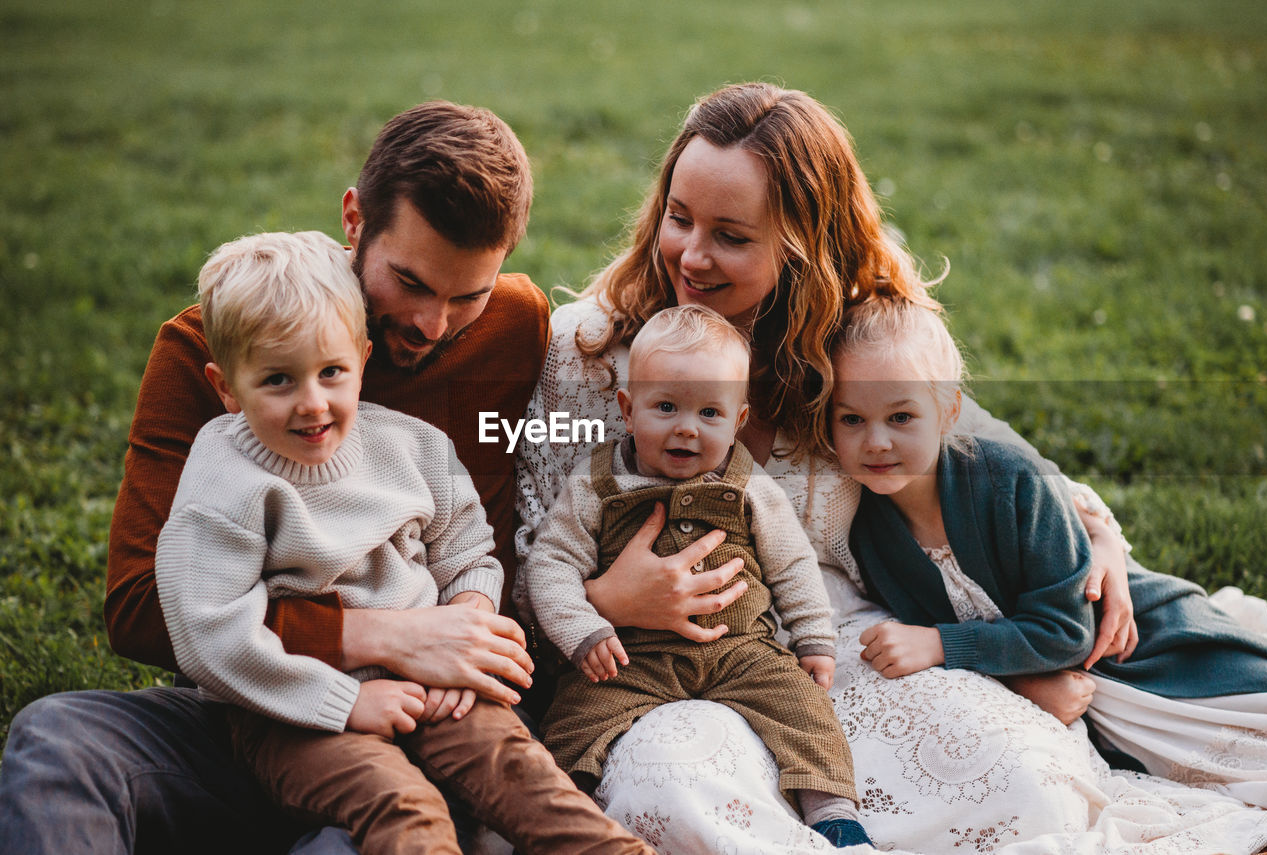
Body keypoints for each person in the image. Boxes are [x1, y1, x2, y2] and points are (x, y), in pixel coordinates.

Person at [516, 82, 1267, 853]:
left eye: (732, 235)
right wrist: (610, 597)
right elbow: (520, 562)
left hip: (836, 648)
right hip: (644, 671)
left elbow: (977, 451)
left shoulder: (841, 345)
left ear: (800, 246)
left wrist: (1094, 531)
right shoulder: (590, 360)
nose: (691, 252)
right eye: (679, 218)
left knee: (1025, 782)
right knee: (680, 798)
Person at [0, 100, 551, 855]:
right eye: (412, 283)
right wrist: (379, 634)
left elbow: (501, 525)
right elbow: (137, 604)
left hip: (419, 736)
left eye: (468, 296)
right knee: (58, 737)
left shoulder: (515, 329)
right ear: (355, 220)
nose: (434, 323)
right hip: (254, 712)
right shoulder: (212, 349)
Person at [147, 229, 656, 855]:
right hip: (292, 710)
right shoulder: (227, 477)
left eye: (331, 372)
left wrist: (466, 620)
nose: (312, 404)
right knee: (407, 809)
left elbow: (467, 547)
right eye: (278, 380)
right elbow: (211, 632)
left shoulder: (410, 447)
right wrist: (345, 702)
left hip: (434, 679)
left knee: (524, 777)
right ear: (226, 387)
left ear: (361, 360)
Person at [834, 296, 1267, 810]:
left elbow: (1068, 632)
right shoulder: (870, 530)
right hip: (1075, 697)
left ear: (949, 410)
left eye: (901, 416)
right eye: (851, 420)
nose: (876, 442)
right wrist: (1023, 685)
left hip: (1138, 655)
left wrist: (940, 644)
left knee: (1257, 758)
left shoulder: (1011, 480)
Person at [519, 305, 869, 849]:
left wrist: (814, 639)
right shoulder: (596, 483)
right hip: (631, 657)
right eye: (666, 407)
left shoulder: (752, 489)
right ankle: (560, 827)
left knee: (803, 707)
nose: (686, 427)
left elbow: (792, 565)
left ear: (738, 421)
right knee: (571, 725)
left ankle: (835, 815)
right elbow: (551, 565)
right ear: (627, 411)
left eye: (710, 412)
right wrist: (582, 631)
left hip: (740, 651)